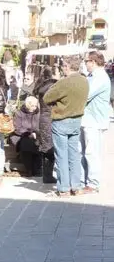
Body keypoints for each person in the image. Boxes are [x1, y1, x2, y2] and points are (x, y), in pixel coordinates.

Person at [43, 55, 89, 197]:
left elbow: (46, 98)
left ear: (67, 67)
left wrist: (57, 82)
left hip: (62, 119)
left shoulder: (64, 82)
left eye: (63, 66)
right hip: (76, 119)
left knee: (61, 154)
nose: (62, 68)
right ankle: (76, 186)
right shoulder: (84, 81)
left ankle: (63, 187)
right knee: (74, 154)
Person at [80, 51, 110, 194]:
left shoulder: (100, 78)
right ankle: (84, 180)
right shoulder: (91, 76)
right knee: (84, 152)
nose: (85, 64)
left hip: (95, 121)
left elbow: (86, 95)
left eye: (87, 61)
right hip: (87, 119)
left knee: (92, 153)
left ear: (93, 62)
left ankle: (93, 183)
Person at [32, 66, 57, 183]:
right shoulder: (52, 87)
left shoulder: (41, 86)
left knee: (46, 146)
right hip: (50, 118)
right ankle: (48, 175)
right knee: (50, 147)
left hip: (42, 118)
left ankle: (47, 174)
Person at [11, 96, 40, 176]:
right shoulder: (19, 113)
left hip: (35, 135)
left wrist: (36, 133)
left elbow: (40, 127)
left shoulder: (38, 114)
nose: (34, 108)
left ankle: (36, 168)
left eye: (35, 106)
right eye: (32, 106)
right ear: (28, 105)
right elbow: (17, 128)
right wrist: (29, 133)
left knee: (38, 143)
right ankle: (30, 169)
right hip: (21, 135)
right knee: (26, 143)